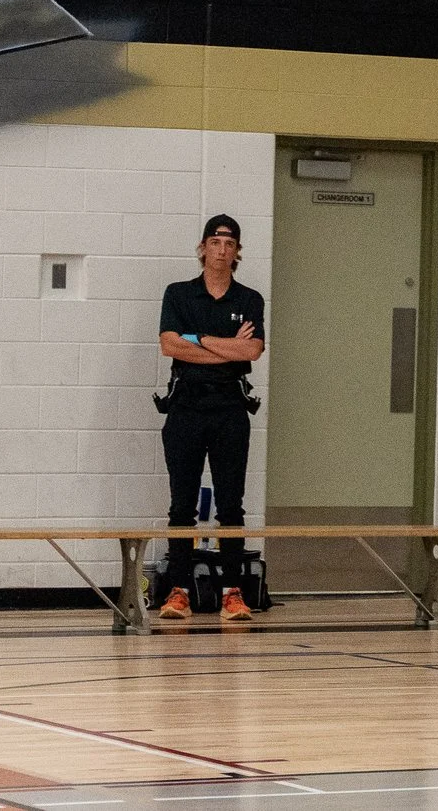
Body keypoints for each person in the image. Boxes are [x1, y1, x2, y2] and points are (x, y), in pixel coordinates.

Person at [156, 213, 265, 624]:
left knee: (230, 503)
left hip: (230, 409)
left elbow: (251, 352)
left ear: (237, 251)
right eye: (215, 242)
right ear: (203, 248)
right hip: (185, 406)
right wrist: (223, 348)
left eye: (229, 243)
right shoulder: (178, 294)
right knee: (181, 504)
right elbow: (169, 346)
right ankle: (178, 590)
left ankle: (233, 592)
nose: (222, 250)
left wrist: (197, 339)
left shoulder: (248, 299)